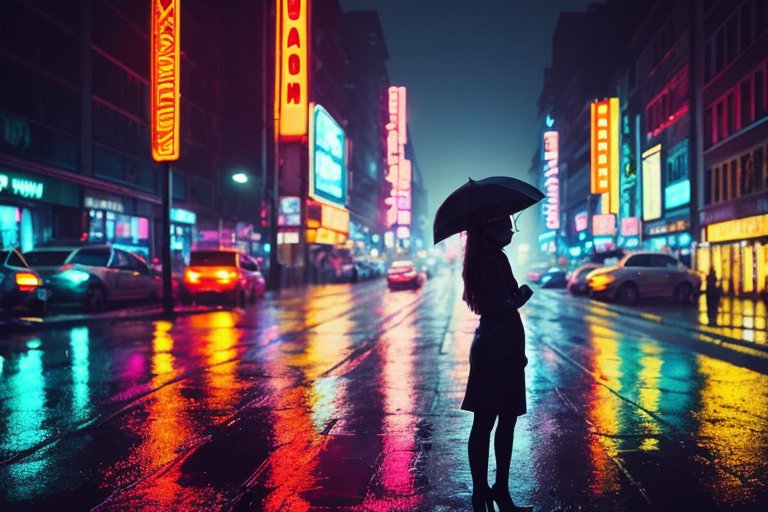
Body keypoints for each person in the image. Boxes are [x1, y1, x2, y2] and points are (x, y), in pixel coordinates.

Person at [461, 215, 533, 512]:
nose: (511, 231)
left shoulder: (490, 258)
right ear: (489, 228)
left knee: (494, 422)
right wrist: (522, 294)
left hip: (498, 349)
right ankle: (491, 493)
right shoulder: (490, 261)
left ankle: (491, 492)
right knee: (494, 423)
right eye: (506, 225)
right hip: (498, 352)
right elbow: (499, 307)